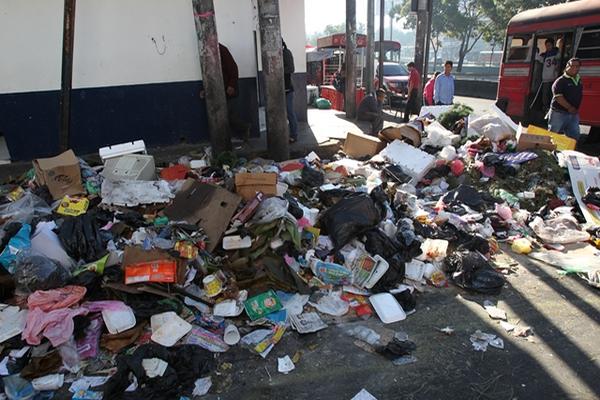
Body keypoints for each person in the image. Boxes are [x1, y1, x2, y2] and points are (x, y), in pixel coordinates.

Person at [199, 43, 250, 141]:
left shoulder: (222, 50)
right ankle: (234, 133)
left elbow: (234, 68)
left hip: (227, 89)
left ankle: (243, 128)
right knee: (223, 115)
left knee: (228, 114)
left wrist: (231, 85)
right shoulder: (207, 53)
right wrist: (205, 90)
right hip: (217, 89)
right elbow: (209, 75)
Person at [547, 58, 583, 141]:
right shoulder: (560, 81)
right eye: (572, 66)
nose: (574, 68)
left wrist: (574, 110)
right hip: (559, 113)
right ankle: (549, 153)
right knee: (552, 136)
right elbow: (558, 97)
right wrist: (570, 108)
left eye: (577, 66)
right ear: (567, 66)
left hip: (573, 115)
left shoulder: (579, 80)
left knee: (574, 137)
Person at [535, 38, 561, 112]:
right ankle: (545, 108)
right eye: (546, 46)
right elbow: (538, 58)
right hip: (546, 78)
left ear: (553, 45)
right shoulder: (544, 55)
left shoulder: (557, 54)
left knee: (552, 94)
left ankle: (552, 108)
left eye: (549, 45)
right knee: (545, 95)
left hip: (554, 78)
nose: (547, 47)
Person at [282, 40, 298, 143]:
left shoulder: (286, 53)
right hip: (279, 90)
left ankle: (294, 135)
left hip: (287, 89)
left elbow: (291, 69)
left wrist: (279, 69)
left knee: (290, 112)